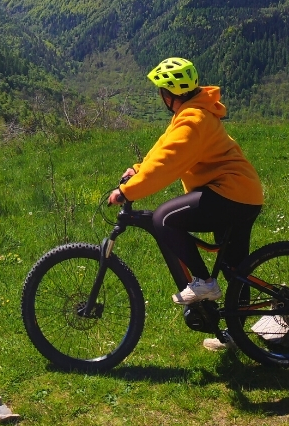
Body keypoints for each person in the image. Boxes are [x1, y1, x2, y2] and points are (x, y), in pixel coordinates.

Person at [107, 57, 264, 350]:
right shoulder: (190, 115)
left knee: (164, 218)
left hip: (231, 194)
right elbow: (163, 150)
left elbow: (168, 165)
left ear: (169, 94)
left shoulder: (193, 121)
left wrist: (128, 192)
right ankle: (238, 337)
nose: (160, 97)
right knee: (235, 269)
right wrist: (138, 170)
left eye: (161, 92)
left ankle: (203, 282)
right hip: (241, 194)